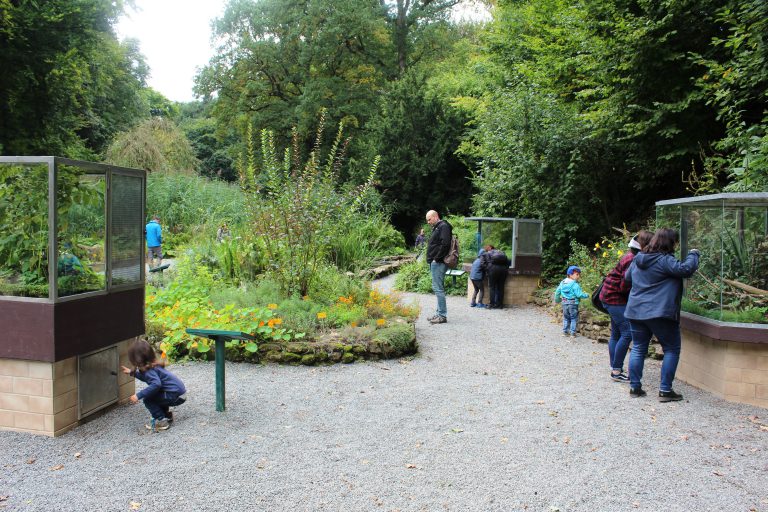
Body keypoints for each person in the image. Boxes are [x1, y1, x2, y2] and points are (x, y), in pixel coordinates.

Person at [624, 228, 700, 401]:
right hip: (659, 313)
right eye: (675, 241)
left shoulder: (638, 259)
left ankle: (635, 387)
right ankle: (665, 390)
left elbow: (628, 278)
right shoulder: (664, 260)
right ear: (669, 243)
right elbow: (686, 269)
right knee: (672, 349)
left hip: (635, 311)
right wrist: (694, 254)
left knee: (638, 347)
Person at [599, 230, 654, 383]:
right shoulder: (633, 259)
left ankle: (614, 368)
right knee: (627, 333)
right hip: (615, 299)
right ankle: (616, 370)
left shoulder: (630, 256)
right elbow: (625, 285)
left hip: (609, 297)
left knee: (616, 333)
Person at [121, 339, 186, 431]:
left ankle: (162, 421)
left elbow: (156, 384)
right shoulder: (152, 365)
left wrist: (138, 395)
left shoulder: (149, 371)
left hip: (175, 395)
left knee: (148, 400)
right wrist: (132, 373)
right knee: (156, 396)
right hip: (179, 393)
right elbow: (149, 379)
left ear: (135, 360)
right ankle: (166, 416)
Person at [425, 210, 452, 324]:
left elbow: (445, 244)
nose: (428, 222)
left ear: (436, 217)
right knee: (437, 288)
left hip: (439, 262)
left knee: (438, 288)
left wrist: (437, 258)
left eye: (429, 219)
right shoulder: (438, 227)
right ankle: (438, 313)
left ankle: (442, 315)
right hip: (436, 262)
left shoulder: (443, 226)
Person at [554, 265, 589, 336]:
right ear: (570, 274)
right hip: (573, 303)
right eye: (577, 274)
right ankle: (573, 333)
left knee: (566, 318)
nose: (578, 276)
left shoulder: (562, 282)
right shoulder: (575, 284)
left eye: (579, 274)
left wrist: (557, 300)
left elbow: (557, 292)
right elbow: (579, 295)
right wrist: (587, 295)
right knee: (573, 318)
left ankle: (565, 332)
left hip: (564, 302)